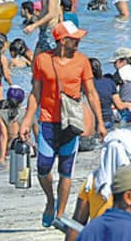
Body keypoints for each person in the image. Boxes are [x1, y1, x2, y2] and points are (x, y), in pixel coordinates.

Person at [19, 21, 108, 226]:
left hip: (71, 123)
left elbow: (91, 93)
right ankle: (50, 201)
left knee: (65, 171)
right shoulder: (42, 60)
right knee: (43, 167)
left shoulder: (82, 62)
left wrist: (100, 123)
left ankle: (59, 215)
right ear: (62, 40)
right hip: (48, 122)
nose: (78, 42)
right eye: (74, 39)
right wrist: (26, 121)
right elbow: (35, 94)